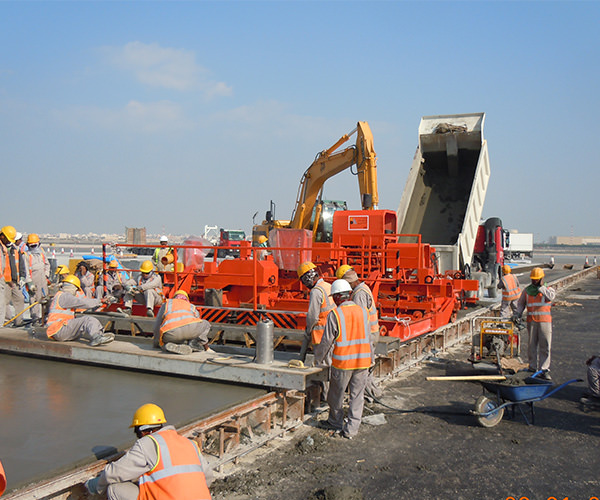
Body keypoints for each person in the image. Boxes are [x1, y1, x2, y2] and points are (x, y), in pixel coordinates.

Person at [84, 403, 213, 500]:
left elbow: (114, 473)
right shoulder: (189, 443)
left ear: (142, 430)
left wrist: (95, 485)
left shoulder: (148, 443)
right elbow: (208, 477)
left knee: (115, 489)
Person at [314, 279, 372, 439]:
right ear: (349, 294)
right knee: (357, 396)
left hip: (343, 364)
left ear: (337, 298)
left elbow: (326, 341)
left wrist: (317, 360)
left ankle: (335, 422)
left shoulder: (336, 314)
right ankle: (351, 430)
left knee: (336, 395)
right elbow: (369, 338)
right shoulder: (363, 312)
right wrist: (371, 359)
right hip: (363, 362)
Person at [336, 264, 382, 399]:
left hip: (368, 335)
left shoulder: (359, 294)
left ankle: (372, 394)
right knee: (364, 367)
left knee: (363, 367)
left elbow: (359, 319)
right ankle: (370, 393)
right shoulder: (363, 288)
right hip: (370, 333)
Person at [45, 274, 114, 346]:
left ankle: (99, 335)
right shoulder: (64, 296)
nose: (76, 292)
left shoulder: (61, 296)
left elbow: (85, 306)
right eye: (76, 290)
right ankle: (97, 337)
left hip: (58, 330)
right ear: (73, 287)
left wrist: (99, 304)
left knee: (85, 322)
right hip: (59, 329)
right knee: (88, 320)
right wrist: (101, 300)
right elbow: (83, 302)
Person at [513, 267, 556, 380]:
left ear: (541, 279)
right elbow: (521, 303)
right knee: (531, 345)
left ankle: (544, 369)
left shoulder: (548, 289)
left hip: (544, 321)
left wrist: (541, 287)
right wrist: (517, 313)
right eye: (533, 279)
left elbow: (551, 297)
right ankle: (532, 366)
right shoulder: (527, 291)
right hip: (531, 320)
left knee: (545, 345)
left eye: (536, 279)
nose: (534, 281)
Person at [153, 290, 211, 355]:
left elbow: (157, 324)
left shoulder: (167, 304)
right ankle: (193, 344)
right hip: (190, 331)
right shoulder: (191, 306)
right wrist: (205, 346)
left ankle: (166, 346)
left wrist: (156, 341)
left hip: (171, 333)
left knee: (164, 342)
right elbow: (198, 321)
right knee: (206, 324)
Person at [297, 262, 335, 362]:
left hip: (321, 335)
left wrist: (308, 330)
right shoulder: (328, 286)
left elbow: (312, 317)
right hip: (333, 332)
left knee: (323, 363)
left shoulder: (316, 292)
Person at [1, 225, 26, 327]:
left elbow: (21, 264)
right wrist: (8, 280)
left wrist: (23, 277)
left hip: (14, 281)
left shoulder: (14, 250)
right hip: (5, 281)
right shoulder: (3, 250)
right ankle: (6, 321)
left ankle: (18, 321)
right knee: (4, 302)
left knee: (20, 299)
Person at [24, 233, 50, 324]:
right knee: (34, 300)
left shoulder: (41, 253)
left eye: (35, 245)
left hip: (43, 279)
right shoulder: (26, 255)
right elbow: (26, 270)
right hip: (33, 280)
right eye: (32, 245)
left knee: (45, 298)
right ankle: (35, 318)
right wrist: (29, 282)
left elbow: (47, 264)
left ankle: (46, 317)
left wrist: (46, 275)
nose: (34, 247)